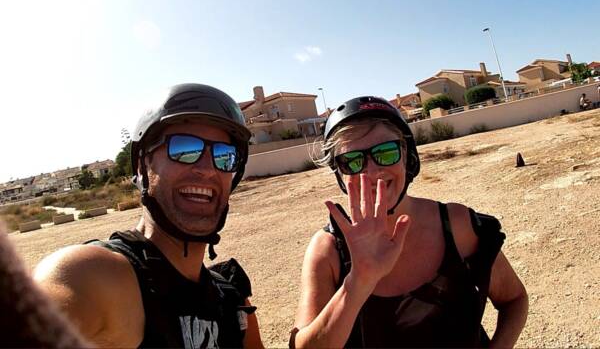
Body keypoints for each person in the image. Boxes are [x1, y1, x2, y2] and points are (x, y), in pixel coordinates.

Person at [34, 83, 263, 348]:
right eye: (183, 148)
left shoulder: (232, 303)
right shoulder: (95, 276)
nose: (207, 169)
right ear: (142, 165)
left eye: (225, 156)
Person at [291, 96, 528, 348]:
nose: (371, 173)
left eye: (386, 152)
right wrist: (358, 282)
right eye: (352, 161)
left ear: (407, 154)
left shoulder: (457, 225)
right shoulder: (328, 251)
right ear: (340, 174)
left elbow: (514, 300)